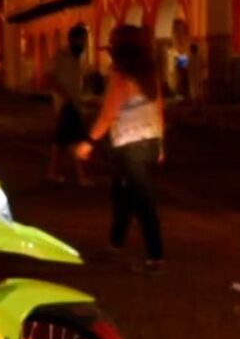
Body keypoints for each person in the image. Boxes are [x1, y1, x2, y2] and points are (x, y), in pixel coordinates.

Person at [75, 24, 165, 274]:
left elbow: (108, 115)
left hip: (130, 145)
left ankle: (156, 257)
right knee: (122, 194)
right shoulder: (149, 73)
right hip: (150, 141)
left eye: (113, 44)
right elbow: (159, 109)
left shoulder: (120, 76)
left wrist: (88, 142)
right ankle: (115, 244)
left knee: (143, 201)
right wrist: (161, 145)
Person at [47, 24, 91, 186]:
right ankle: (81, 177)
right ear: (73, 39)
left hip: (73, 104)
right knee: (76, 140)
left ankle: (52, 172)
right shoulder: (61, 56)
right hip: (67, 105)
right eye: (82, 40)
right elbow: (48, 77)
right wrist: (65, 97)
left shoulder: (77, 57)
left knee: (60, 142)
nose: (84, 43)